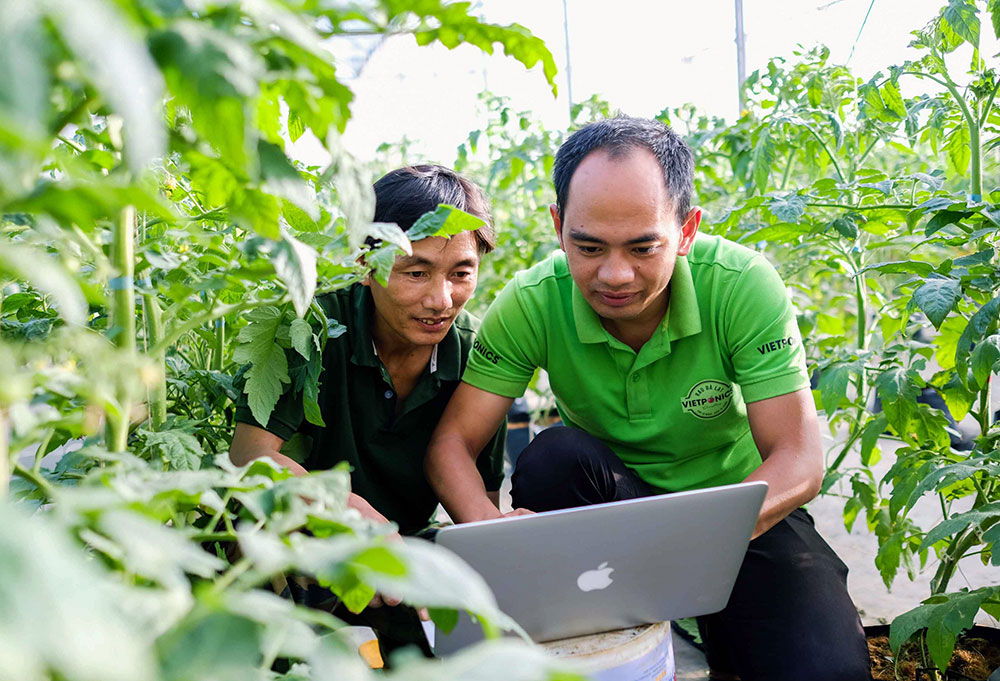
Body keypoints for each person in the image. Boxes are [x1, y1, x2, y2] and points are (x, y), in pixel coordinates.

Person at [424, 118, 871, 681]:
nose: (614, 275)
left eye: (642, 247)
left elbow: (800, 459)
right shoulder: (535, 301)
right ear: (559, 227)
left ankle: (732, 636)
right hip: (610, 509)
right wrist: (491, 533)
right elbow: (451, 444)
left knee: (824, 671)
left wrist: (698, 543)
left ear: (686, 230)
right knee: (553, 458)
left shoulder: (738, 285)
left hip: (737, 515)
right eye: (587, 246)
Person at [230, 164, 506, 660]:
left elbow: (478, 502)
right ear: (365, 261)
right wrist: (355, 519)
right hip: (313, 546)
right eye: (415, 271)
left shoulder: (478, 357)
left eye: (461, 273)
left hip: (402, 560)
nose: (440, 300)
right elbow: (249, 459)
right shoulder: (311, 328)